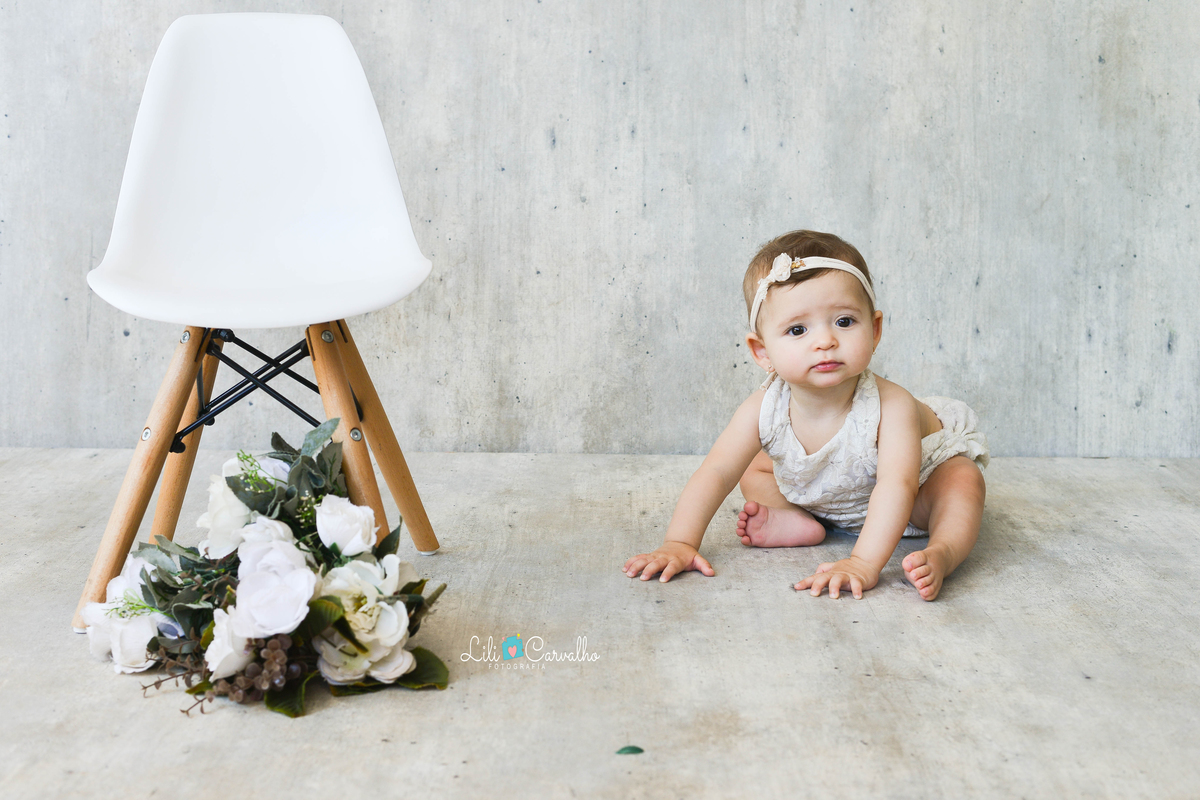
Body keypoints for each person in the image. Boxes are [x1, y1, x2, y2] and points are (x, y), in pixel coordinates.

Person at [623, 230, 989, 600]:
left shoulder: (892, 406)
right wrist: (679, 541)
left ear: (874, 329)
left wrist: (862, 561)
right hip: (834, 493)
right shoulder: (763, 408)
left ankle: (944, 551)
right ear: (762, 351)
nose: (825, 341)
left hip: (915, 498)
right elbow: (715, 472)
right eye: (798, 329)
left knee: (962, 480)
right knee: (750, 466)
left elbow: (899, 485)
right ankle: (799, 521)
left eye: (844, 322)